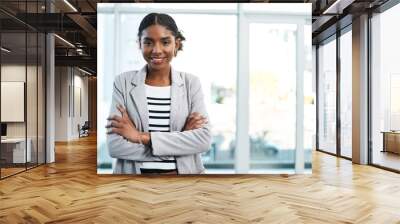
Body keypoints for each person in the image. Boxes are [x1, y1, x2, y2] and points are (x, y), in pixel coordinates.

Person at [106, 13, 212, 175]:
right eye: (148, 42)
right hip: (132, 183)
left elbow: (203, 140)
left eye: (165, 42)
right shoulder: (123, 82)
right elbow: (115, 146)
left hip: (184, 181)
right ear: (139, 44)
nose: (157, 50)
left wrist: (141, 137)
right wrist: (181, 139)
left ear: (176, 44)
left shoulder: (191, 83)